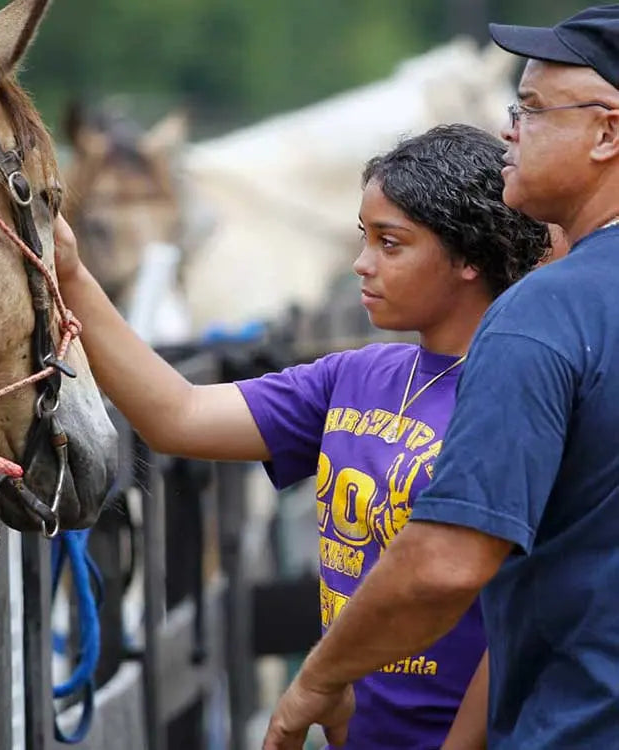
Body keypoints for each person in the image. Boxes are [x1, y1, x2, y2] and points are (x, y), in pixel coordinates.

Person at [53, 124, 549, 749]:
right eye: (364, 238)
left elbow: (521, 612)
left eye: (390, 244)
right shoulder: (356, 374)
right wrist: (68, 273)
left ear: (469, 257)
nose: (361, 263)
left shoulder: (520, 393)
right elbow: (176, 415)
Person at [257, 5, 619, 750]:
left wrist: (315, 683)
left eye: (532, 109)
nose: (509, 129)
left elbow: (445, 564)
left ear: (608, 133)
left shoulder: (542, 318)